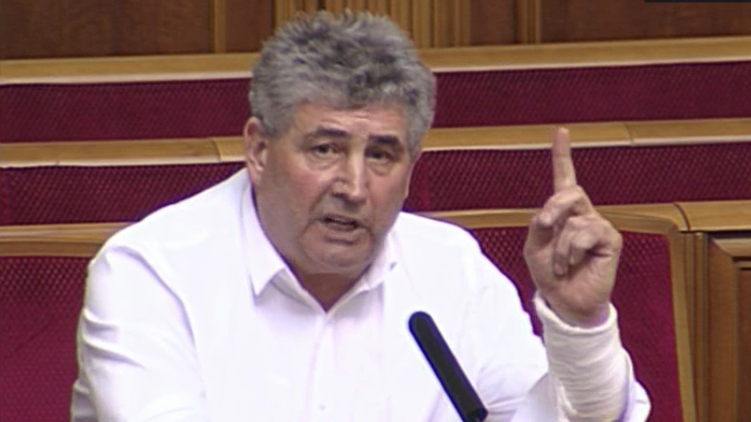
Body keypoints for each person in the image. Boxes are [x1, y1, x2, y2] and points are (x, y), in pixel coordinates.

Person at [71, 10, 650, 422]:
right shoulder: (151, 272)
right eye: (325, 149)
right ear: (259, 150)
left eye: (381, 155)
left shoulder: (450, 268)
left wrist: (579, 324)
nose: (353, 188)